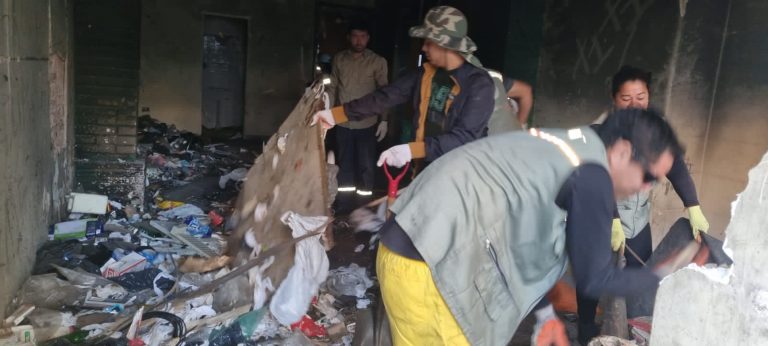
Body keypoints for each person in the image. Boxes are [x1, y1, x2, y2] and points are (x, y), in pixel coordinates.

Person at [373, 108, 681, 345]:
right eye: (650, 177)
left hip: (409, 251)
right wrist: (663, 274)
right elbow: (596, 278)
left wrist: (545, 315)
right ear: (623, 151)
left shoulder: (569, 145)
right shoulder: (592, 175)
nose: (646, 190)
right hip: (430, 269)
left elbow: (527, 243)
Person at [575, 65, 711, 344]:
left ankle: (627, 331)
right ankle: (586, 329)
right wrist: (611, 219)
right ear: (615, 100)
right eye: (626, 99)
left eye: (641, 97)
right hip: (602, 222)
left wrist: (693, 206)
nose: (635, 104)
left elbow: (676, 168)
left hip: (638, 224)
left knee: (638, 279)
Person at [313, 6, 495, 170]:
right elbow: (385, 97)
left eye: (428, 42)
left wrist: (411, 150)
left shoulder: (479, 84)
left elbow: (464, 138)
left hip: (459, 173)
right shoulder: (424, 74)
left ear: (443, 44)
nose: (423, 48)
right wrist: (335, 115)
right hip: (424, 167)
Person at [325, 20, 389, 200]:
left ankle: (363, 202)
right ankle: (344, 203)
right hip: (342, 121)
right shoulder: (339, 59)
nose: (358, 41)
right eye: (355, 36)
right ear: (348, 38)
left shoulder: (377, 62)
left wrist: (384, 119)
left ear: (368, 39)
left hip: (367, 122)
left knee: (366, 165)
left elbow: (385, 92)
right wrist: (327, 111)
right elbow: (333, 87)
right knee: (344, 164)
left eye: (362, 37)